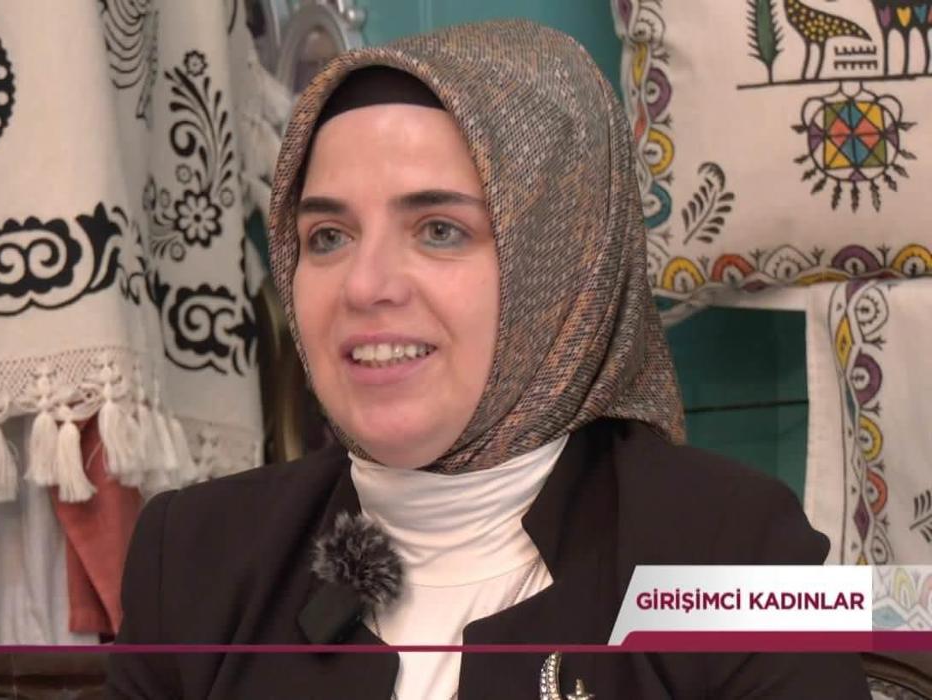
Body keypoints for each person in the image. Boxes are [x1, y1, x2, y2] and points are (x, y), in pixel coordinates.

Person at [107, 19, 870, 699]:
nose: (365, 286)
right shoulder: (196, 560)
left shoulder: (734, 552)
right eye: (328, 237)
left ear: (561, 262)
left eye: (439, 230)